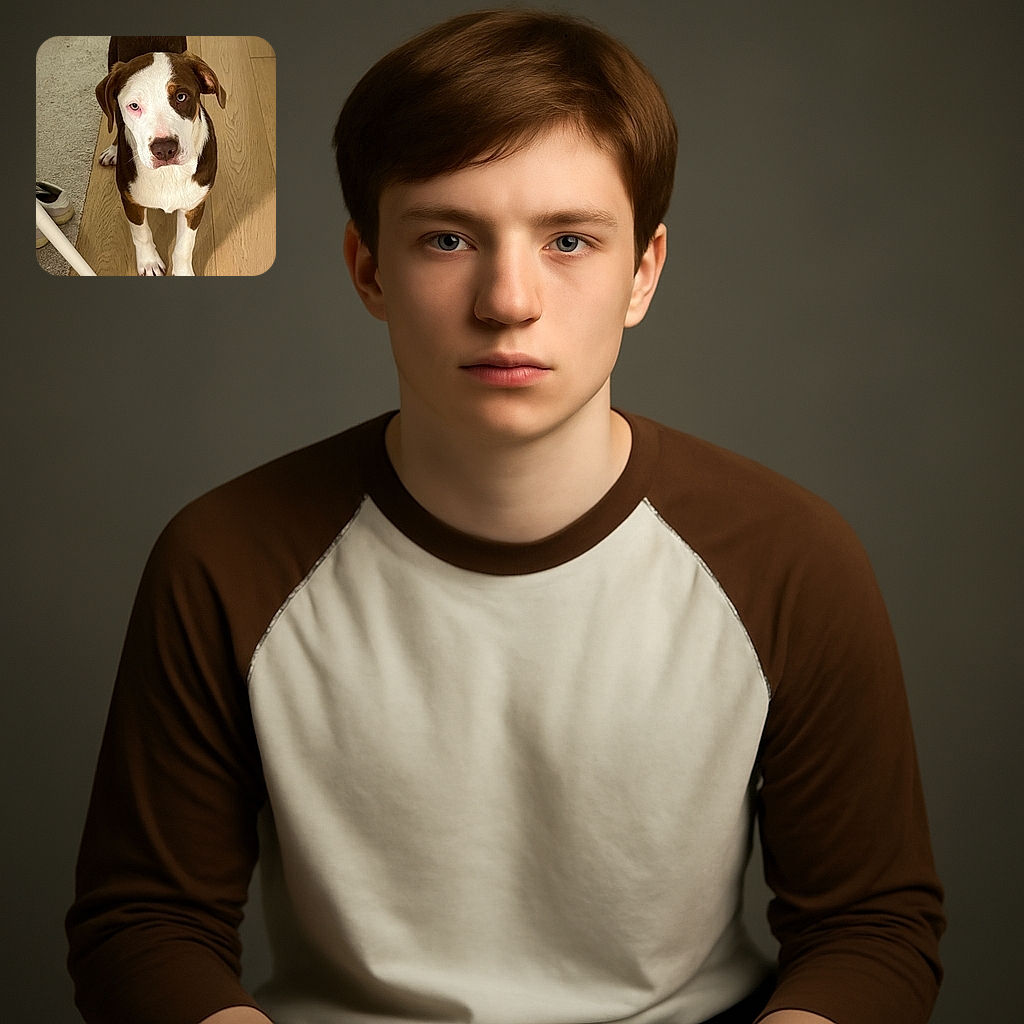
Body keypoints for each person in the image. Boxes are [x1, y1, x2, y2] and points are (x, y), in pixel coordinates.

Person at [66, 10, 945, 1024]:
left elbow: (870, 927)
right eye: (448, 237)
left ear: (643, 273)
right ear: (368, 270)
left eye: (569, 240)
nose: (508, 299)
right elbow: (143, 924)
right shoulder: (222, 558)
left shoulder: (791, 559)